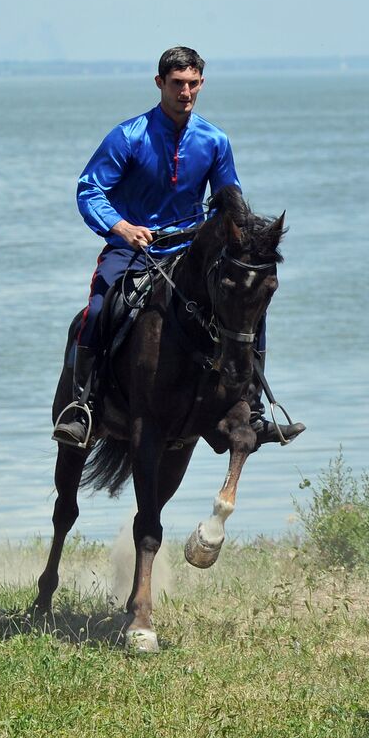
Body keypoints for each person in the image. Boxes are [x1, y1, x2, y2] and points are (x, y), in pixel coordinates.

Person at [52, 46, 304, 449]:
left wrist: (244, 241)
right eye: (176, 84)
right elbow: (90, 189)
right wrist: (121, 226)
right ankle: (84, 406)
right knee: (99, 309)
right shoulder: (128, 136)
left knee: (247, 308)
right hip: (133, 247)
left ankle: (255, 411)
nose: (184, 92)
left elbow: (229, 201)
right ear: (160, 84)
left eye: (192, 84)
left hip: (191, 251)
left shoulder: (215, 140)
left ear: (201, 84)